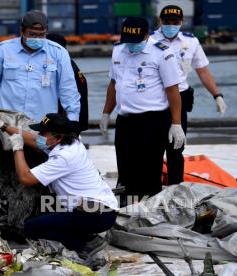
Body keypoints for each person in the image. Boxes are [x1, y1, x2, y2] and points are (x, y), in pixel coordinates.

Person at [0, 112, 118, 259]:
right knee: (46, 213)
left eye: (43, 133)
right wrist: (4, 126)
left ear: (58, 137)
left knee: (31, 227)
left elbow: (25, 178)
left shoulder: (63, 158)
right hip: (100, 208)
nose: (39, 135)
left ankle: (86, 243)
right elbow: (33, 140)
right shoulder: (72, 142)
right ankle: (84, 234)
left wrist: (17, 149)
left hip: (96, 213)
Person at [99, 17, 186, 205]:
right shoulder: (118, 51)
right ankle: (127, 207)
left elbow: (172, 90)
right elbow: (113, 84)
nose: (131, 45)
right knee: (125, 167)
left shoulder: (163, 53)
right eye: (128, 40)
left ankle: (150, 210)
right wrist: (106, 112)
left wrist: (176, 123)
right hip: (125, 120)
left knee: (148, 170)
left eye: (136, 41)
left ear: (147, 35)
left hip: (153, 121)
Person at [150, 5, 227, 184]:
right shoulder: (149, 40)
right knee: (153, 147)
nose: (171, 25)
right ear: (159, 21)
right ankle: (151, 188)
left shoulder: (190, 42)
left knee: (176, 147)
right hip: (154, 99)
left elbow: (203, 71)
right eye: (167, 21)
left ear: (182, 22)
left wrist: (217, 95)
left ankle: (176, 187)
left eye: (175, 22)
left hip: (180, 99)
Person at [0, 10, 80, 122]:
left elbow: (68, 89)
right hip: (8, 123)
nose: (37, 38)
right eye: (32, 34)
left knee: (40, 141)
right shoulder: (4, 49)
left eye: (41, 35)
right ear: (22, 31)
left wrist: (73, 119)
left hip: (42, 124)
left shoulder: (59, 52)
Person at [46, 33, 89, 131]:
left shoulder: (65, 67)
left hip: (69, 122)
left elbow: (69, 96)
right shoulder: (70, 64)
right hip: (77, 120)